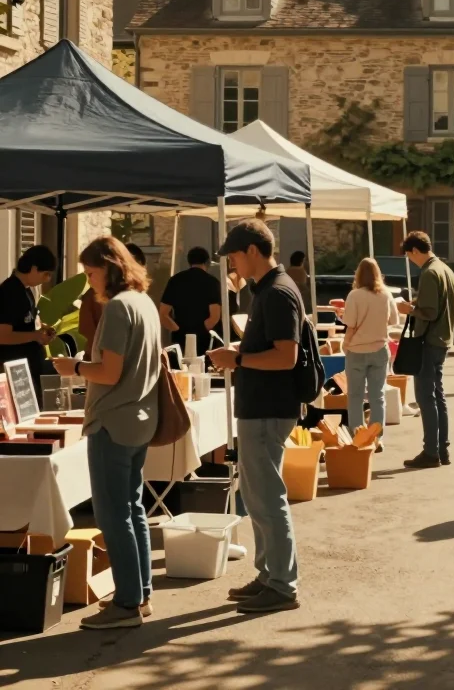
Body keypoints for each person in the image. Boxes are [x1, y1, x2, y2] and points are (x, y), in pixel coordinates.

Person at [52, 237, 160, 630]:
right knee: (131, 509)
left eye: (91, 272)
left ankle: (128, 603)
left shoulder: (117, 307)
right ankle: (139, 594)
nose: (89, 281)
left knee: (113, 515)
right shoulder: (143, 302)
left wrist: (75, 367)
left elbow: (109, 373)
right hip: (139, 419)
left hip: (112, 421)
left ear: (110, 268)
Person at [207, 219, 304, 614]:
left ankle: (281, 584)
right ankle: (269, 576)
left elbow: (286, 356)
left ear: (251, 251)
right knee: (257, 497)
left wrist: (238, 359)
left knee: (266, 499)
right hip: (261, 408)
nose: (231, 264)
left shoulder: (277, 291)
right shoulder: (268, 289)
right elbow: (274, 349)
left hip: (268, 409)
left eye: (233, 256)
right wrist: (240, 353)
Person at [398, 231, 454, 469]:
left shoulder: (430, 272)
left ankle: (431, 451)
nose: (410, 260)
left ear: (415, 251)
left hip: (429, 339)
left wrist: (409, 309)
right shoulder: (445, 269)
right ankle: (441, 449)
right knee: (437, 395)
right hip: (442, 338)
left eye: (409, 256)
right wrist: (416, 304)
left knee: (425, 396)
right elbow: (437, 305)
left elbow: (430, 312)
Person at [342, 257, 399, 451]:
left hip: (357, 350)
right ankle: (377, 438)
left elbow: (350, 325)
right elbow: (393, 320)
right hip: (379, 349)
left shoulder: (354, 295)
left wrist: (345, 344)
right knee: (377, 396)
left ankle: (357, 436)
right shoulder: (385, 294)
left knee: (355, 396)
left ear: (358, 274)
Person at [0, 245, 57, 400]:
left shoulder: (26, 290)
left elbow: (27, 321)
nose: (47, 279)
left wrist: (43, 329)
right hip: (16, 371)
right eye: (46, 274)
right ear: (34, 268)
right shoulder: (10, 292)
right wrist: (35, 336)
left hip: (30, 367)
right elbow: (3, 336)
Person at [159, 247, 222, 356]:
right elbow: (214, 317)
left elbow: (163, 314)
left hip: (180, 339)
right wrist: (200, 330)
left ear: (189, 261)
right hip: (204, 340)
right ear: (207, 262)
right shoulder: (212, 282)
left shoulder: (175, 280)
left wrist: (178, 330)